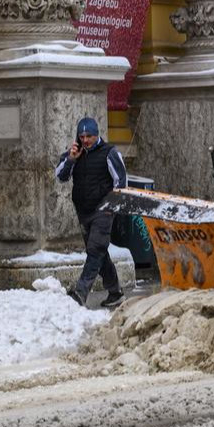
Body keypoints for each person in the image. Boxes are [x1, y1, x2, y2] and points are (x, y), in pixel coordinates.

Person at [54, 116, 127, 308]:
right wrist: (71, 159)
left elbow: (121, 182)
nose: (85, 140)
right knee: (99, 253)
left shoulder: (109, 152)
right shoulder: (75, 154)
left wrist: (113, 207)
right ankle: (115, 292)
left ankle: (80, 293)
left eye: (89, 136)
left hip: (104, 209)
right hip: (83, 210)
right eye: (82, 136)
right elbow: (60, 176)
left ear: (97, 135)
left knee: (95, 250)